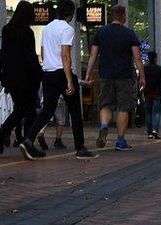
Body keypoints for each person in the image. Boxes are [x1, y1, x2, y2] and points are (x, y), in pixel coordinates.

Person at [18, 0, 96, 160]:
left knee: (47, 110)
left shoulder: (47, 28)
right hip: (62, 73)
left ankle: (28, 141)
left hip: (47, 73)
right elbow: (65, 55)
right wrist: (69, 81)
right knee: (75, 111)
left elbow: (42, 51)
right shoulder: (67, 29)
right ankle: (80, 149)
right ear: (72, 13)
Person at [84, 5, 145, 151]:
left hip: (105, 75)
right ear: (123, 16)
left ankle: (104, 126)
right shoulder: (129, 34)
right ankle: (120, 141)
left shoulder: (101, 33)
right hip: (124, 76)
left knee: (105, 104)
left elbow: (93, 55)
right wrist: (142, 76)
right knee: (123, 108)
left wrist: (88, 72)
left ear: (112, 16)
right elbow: (137, 57)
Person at [0, 1, 41, 155]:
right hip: (26, 79)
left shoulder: (7, 30)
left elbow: (5, 55)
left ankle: (2, 134)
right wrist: (39, 74)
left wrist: (3, 76)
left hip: (11, 79)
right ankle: (28, 143)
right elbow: (30, 58)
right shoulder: (27, 32)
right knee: (30, 110)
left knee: (20, 110)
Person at [143, 51, 161, 139]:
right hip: (157, 93)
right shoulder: (160, 69)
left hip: (148, 93)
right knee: (157, 112)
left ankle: (149, 133)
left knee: (148, 113)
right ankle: (155, 130)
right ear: (155, 58)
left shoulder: (144, 68)